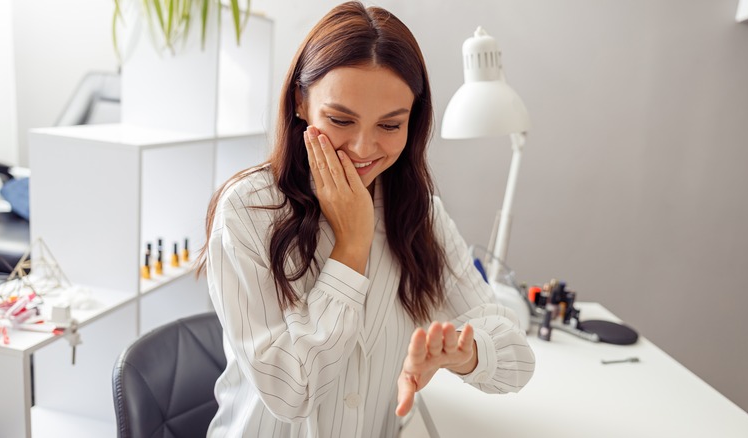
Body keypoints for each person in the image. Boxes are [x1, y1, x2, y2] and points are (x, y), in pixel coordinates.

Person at [198, 2, 535, 437]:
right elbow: (290, 392)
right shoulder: (248, 210)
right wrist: (352, 246)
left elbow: (517, 360)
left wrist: (463, 354)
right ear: (301, 102)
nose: (363, 147)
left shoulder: (420, 214)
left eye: (390, 126)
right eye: (341, 119)